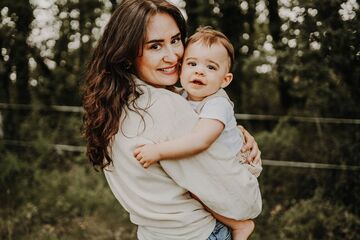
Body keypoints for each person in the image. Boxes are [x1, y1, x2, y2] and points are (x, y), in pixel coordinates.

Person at [82, 0, 262, 239]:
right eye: (155, 46)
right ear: (126, 55)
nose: (173, 56)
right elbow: (241, 203)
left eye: (176, 40)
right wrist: (246, 165)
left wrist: (229, 134)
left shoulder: (115, 103)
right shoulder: (163, 107)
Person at [133, 26, 262, 240]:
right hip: (213, 167)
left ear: (225, 80)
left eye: (211, 67)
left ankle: (239, 225)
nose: (199, 71)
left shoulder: (217, 104)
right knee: (194, 189)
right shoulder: (182, 96)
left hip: (232, 171)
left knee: (198, 189)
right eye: (192, 64)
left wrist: (157, 152)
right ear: (182, 69)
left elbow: (200, 140)